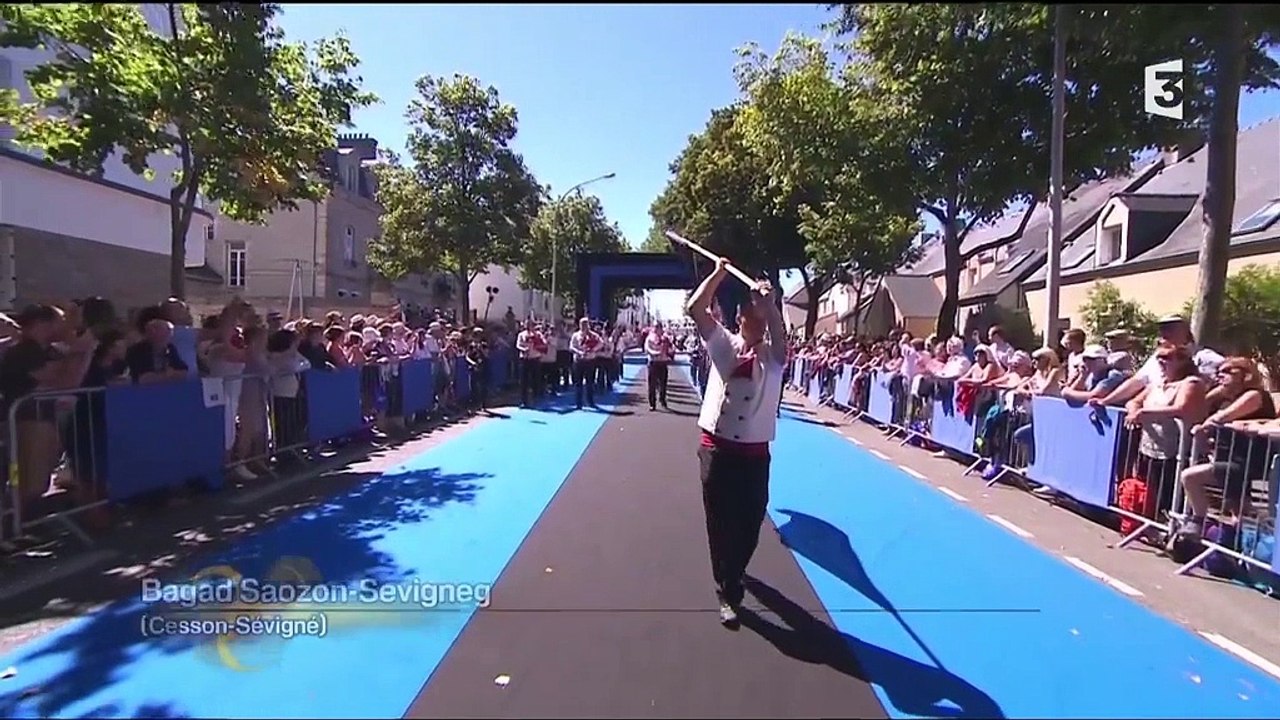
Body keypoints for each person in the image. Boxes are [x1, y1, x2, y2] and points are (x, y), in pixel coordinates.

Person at [686, 256, 786, 628]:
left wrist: (771, 306)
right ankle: (727, 589)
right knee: (720, 521)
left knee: (751, 520)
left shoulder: (774, 358)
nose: (759, 324)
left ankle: (736, 569)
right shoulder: (722, 344)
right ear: (739, 318)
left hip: (755, 453)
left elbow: (780, 335)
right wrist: (718, 275)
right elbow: (696, 308)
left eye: (764, 320)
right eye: (753, 317)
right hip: (717, 447)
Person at [569, 317, 602, 409]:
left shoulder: (594, 335)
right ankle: (578, 403)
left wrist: (593, 349)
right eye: (582, 324)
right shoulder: (576, 335)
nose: (584, 326)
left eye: (586, 324)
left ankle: (590, 401)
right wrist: (579, 352)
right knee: (578, 383)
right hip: (578, 361)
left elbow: (601, 343)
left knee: (590, 382)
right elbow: (571, 346)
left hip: (590, 361)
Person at [645, 320, 674, 410]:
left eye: (659, 327)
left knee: (663, 384)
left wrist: (670, 353)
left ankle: (662, 400)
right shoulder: (650, 338)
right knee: (652, 384)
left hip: (663, 363)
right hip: (653, 363)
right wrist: (656, 353)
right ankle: (652, 403)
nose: (657, 329)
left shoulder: (665, 338)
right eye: (656, 327)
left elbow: (671, 348)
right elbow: (647, 349)